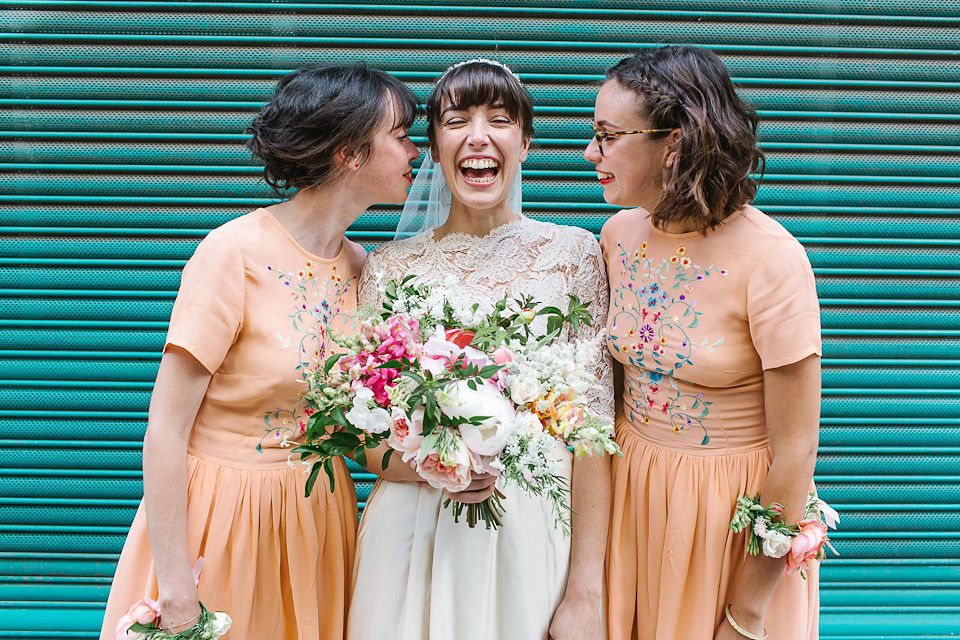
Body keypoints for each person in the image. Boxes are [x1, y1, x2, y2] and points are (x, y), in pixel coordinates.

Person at [99, 64, 419, 640]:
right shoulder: (233, 253)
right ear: (350, 152)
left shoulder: (363, 268)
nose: (414, 151)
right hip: (225, 520)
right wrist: (175, 589)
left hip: (317, 520)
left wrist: (450, 461)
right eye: (400, 134)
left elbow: (364, 436)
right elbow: (165, 430)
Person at [347, 59, 613, 640]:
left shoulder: (575, 255)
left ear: (525, 143)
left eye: (499, 119)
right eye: (456, 120)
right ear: (436, 149)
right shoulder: (388, 269)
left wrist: (587, 592)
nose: (478, 136)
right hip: (413, 530)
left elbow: (594, 433)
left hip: (533, 527)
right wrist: (433, 466)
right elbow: (367, 441)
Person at [585, 45, 822, 640]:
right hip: (632, 499)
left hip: (727, 519)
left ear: (675, 143)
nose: (591, 153)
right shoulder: (617, 235)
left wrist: (745, 617)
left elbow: (794, 455)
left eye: (608, 136)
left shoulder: (774, 261)